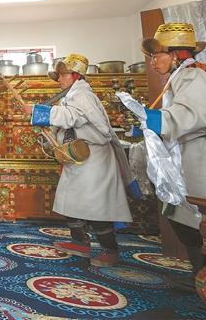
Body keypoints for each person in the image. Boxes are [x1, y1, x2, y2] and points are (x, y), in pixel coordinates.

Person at [141, 23, 206, 285]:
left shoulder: (192, 77)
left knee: (205, 225)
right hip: (192, 158)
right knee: (186, 221)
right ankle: (202, 278)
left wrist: (150, 119)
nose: (152, 62)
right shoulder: (182, 78)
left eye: (157, 55)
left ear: (176, 55)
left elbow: (189, 115)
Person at [27, 54, 135, 266]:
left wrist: (39, 112)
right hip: (77, 157)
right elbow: (67, 120)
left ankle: (110, 249)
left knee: (95, 205)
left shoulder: (83, 96)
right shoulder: (71, 96)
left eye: (63, 75)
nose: (59, 80)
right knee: (71, 200)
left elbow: (72, 117)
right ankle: (79, 242)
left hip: (94, 158)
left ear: (75, 76)